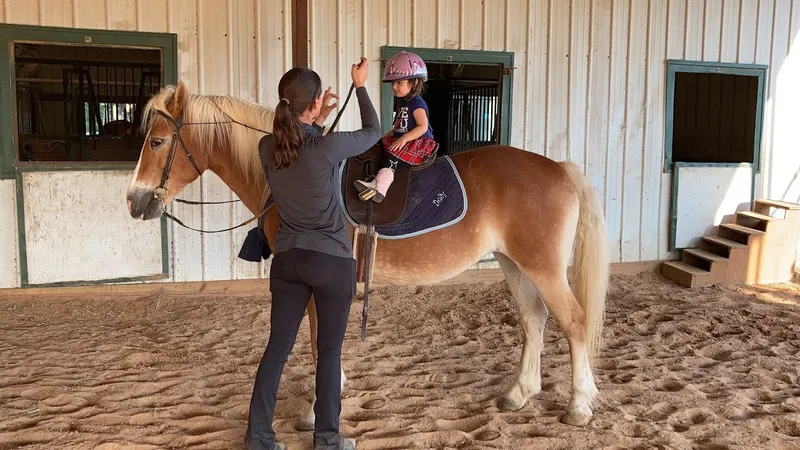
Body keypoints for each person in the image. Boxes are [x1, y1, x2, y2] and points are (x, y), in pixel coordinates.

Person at [245, 57, 379, 450]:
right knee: (329, 354)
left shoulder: (266, 147)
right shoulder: (327, 146)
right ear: (315, 102)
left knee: (277, 349)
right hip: (331, 261)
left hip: (287, 261)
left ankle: (259, 437)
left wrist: (317, 119)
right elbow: (373, 130)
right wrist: (362, 86)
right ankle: (327, 439)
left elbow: (297, 148)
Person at [354, 50, 436, 203]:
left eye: (399, 82)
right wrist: (386, 136)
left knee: (393, 154)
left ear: (414, 83)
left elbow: (422, 127)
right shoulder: (403, 103)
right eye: (393, 82)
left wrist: (403, 139)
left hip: (417, 142)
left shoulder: (417, 103)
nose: (394, 87)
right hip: (405, 138)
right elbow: (400, 126)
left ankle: (380, 186)